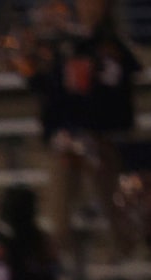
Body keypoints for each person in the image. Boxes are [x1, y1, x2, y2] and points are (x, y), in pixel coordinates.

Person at [27, 0, 141, 256]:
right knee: (64, 166)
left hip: (105, 140)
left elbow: (115, 101)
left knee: (105, 179)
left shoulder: (110, 48)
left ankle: (123, 246)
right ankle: (59, 249)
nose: (86, 6)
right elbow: (50, 93)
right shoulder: (66, 45)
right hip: (71, 140)